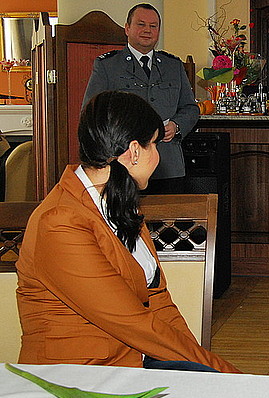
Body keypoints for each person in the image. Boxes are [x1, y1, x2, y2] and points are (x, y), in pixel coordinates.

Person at [16, 91, 239, 373]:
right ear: (134, 151)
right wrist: (227, 374)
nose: (157, 155)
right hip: (77, 377)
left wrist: (200, 362)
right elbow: (132, 322)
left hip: (131, 363)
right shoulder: (60, 222)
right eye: (154, 144)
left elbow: (158, 299)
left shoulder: (120, 203)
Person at [82, 3, 198, 194]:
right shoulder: (108, 66)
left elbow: (190, 108)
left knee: (171, 212)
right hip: (125, 166)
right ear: (127, 28)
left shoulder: (173, 65)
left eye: (153, 26)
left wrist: (176, 126)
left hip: (168, 164)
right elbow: (92, 113)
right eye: (141, 24)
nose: (147, 30)